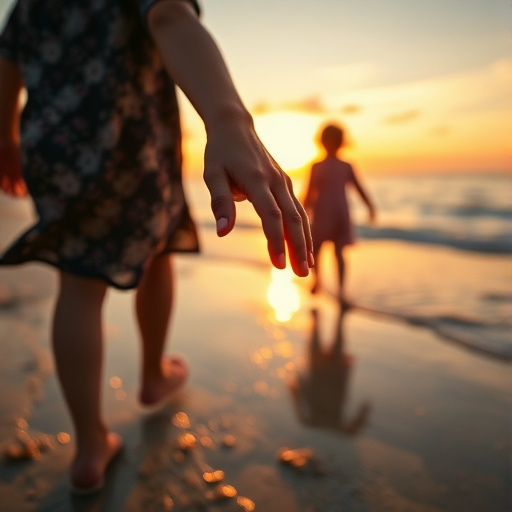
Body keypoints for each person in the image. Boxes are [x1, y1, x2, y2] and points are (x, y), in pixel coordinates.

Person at [0, 0, 313, 493]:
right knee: (160, 248)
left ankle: (88, 448)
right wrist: (228, 116)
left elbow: (7, 72)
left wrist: (6, 139)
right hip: (135, 140)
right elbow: (169, 16)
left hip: (52, 147)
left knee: (78, 284)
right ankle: (151, 374)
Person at [303, 123, 375, 305]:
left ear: (340, 142)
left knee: (339, 252)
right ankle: (317, 281)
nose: (330, 144)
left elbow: (358, 187)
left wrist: (370, 206)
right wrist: (301, 212)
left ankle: (341, 292)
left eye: (334, 140)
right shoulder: (316, 166)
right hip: (321, 213)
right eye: (327, 140)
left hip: (340, 213)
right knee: (316, 250)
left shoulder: (346, 166)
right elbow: (310, 191)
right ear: (322, 142)